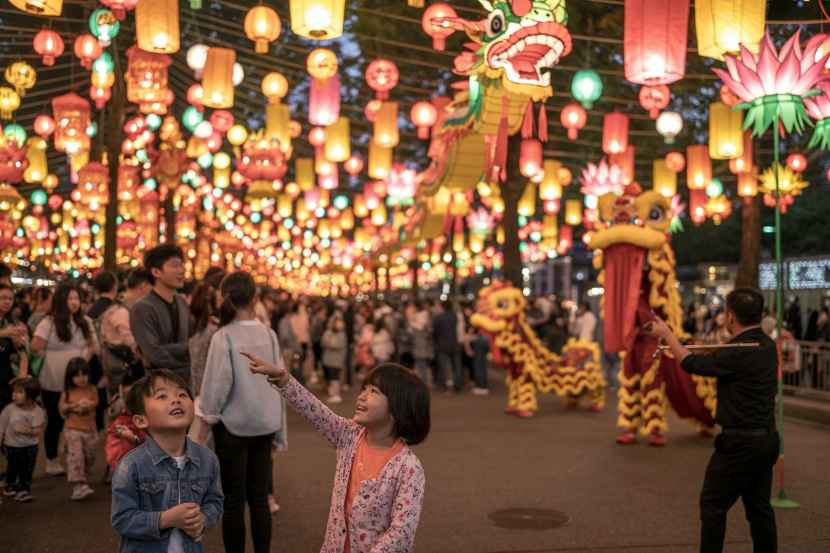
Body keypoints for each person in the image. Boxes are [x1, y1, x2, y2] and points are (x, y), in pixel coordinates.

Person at [645, 288, 779, 553]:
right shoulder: (766, 346)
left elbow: (693, 364)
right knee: (759, 509)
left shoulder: (738, 351)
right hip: (766, 440)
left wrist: (668, 335)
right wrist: (680, 347)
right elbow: (708, 359)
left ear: (730, 317)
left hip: (739, 444)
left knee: (713, 506)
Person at [249, 359, 429, 553]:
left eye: (373, 391)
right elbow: (315, 411)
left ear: (398, 408)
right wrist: (284, 380)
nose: (361, 396)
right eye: (364, 389)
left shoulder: (408, 468)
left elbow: (401, 533)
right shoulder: (349, 435)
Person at [199, 271, 286, 553]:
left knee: (233, 501)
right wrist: (280, 431)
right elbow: (280, 382)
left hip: (232, 427)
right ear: (254, 298)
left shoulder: (224, 336)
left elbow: (216, 386)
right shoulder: (269, 334)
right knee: (259, 499)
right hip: (265, 424)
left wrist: (206, 418)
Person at [111, 370, 224, 553]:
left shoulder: (207, 459)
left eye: (182, 394)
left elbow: (215, 502)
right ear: (141, 421)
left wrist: (203, 519)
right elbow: (122, 519)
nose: (176, 400)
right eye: (162, 396)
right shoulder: (131, 465)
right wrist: (165, 519)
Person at [32, 282, 99, 476]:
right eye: (70, 298)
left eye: (76, 298)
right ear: (61, 300)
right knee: (55, 420)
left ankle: (76, 456)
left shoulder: (85, 321)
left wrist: (80, 363)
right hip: (52, 380)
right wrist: (52, 358)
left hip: (78, 380)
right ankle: (52, 459)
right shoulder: (48, 322)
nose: (74, 302)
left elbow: (93, 346)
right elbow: (35, 346)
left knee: (80, 417)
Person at [130, 244, 191, 383]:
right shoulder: (142, 308)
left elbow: (192, 343)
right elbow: (154, 354)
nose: (182, 270)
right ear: (156, 272)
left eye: (182, 265)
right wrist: (186, 354)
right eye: (175, 266)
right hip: (157, 383)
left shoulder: (182, 302)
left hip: (185, 383)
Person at [59, 357, 99, 501]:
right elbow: (62, 409)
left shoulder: (92, 389)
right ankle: (78, 485)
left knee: (89, 456)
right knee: (76, 457)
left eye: (84, 374)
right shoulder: (67, 392)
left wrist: (87, 405)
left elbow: (95, 403)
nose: (81, 378)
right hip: (72, 430)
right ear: (70, 377)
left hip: (90, 429)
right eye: (76, 375)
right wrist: (71, 407)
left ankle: (84, 480)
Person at [0, 378, 45, 502]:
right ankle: (10, 485)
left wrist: (26, 431)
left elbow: (37, 431)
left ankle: (24, 490)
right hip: (11, 445)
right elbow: (1, 426)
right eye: (14, 392)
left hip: (30, 446)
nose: (14, 395)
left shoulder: (37, 411)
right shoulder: (9, 409)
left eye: (19, 392)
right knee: (12, 467)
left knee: (26, 469)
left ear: (30, 395)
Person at [105, 367, 146, 471]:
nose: (130, 400)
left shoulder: (147, 409)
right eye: (126, 396)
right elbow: (113, 428)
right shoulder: (119, 406)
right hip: (122, 455)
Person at [0, 283, 29, 411]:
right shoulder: (9, 328)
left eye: (10, 299)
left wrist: (21, 378)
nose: (7, 302)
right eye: (3, 298)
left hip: (6, 377)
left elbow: (23, 353)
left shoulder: (13, 323)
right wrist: (5, 333)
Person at [433, 301, 462, 392]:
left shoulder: (439, 318)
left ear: (442, 307)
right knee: (456, 365)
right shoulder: (455, 316)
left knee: (445, 366)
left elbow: (435, 332)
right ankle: (457, 384)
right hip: (455, 343)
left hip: (442, 344)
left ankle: (449, 384)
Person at [321, 315, 348, 404]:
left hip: (337, 360)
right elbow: (323, 342)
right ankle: (332, 394)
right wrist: (329, 342)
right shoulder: (328, 332)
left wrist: (329, 342)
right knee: (330, 377)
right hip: (328, 359)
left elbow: (336, 344)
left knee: (335, 377)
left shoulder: (342, 334)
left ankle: (336, 395)